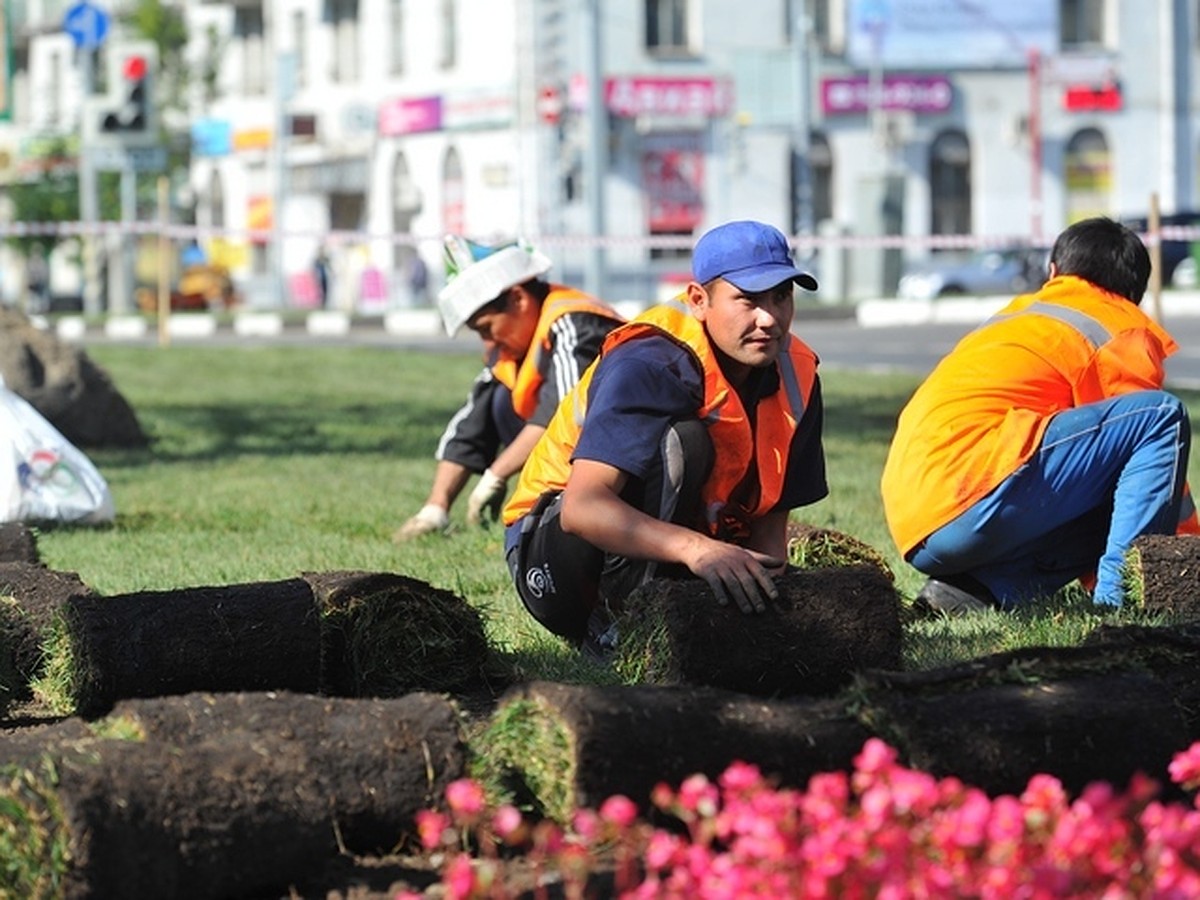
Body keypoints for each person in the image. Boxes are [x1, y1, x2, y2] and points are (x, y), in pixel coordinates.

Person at [501, 220, 827, 657]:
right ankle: (622, 631)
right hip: (551, 550)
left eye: (782, 297)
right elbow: (582, 509)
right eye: (747, 300)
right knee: (685, 442)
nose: (769, 318)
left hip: (676, 546)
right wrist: (698, 550)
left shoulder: (797, 372)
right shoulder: (648, 361)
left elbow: (769, 527)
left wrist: (767, 606)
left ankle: (670, 613)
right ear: (698, 300)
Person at [880, 216, 1199, 615]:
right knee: (1160, 418)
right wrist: (1184, 566)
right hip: (975, 492)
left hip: (918, 520)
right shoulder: (1117, 326)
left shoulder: (1022, 315)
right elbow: (1160, 469)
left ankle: (976, 592)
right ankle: (1123, 603)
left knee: (1117, 492)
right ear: (1134, 292)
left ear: (1053, 272)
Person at [393, 236, 625, 541]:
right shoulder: (512, 347)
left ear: (518, 299)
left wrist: (497, 475)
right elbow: (469, 424)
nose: (487, 344)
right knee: (498, 398)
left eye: (487, 328)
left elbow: (565, 416)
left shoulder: (574, 322)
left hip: (621, 457)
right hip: (572, 452)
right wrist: (435, 508)